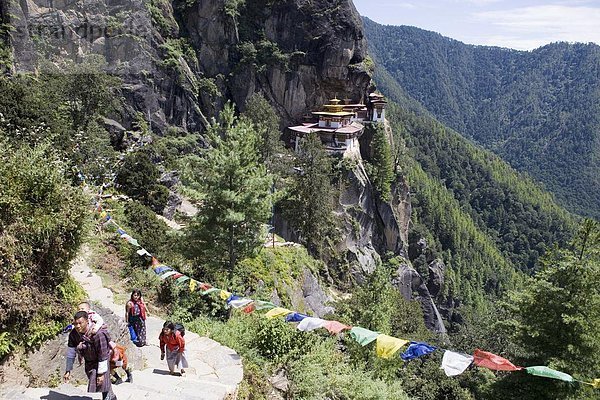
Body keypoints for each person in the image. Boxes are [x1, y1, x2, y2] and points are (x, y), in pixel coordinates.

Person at [64, 310, 117, 400]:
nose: (78, 326)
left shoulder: (98, 334)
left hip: (102, 361)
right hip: (89, 362)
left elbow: (103, 355)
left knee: (103, 383)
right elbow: (71, 353)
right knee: (98, 383)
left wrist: (101, 373)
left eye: (80, 323)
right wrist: (68, 370)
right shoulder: (73, 334)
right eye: (75, 323)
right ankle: (111, 396)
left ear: (87, 321)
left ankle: (109, 397)